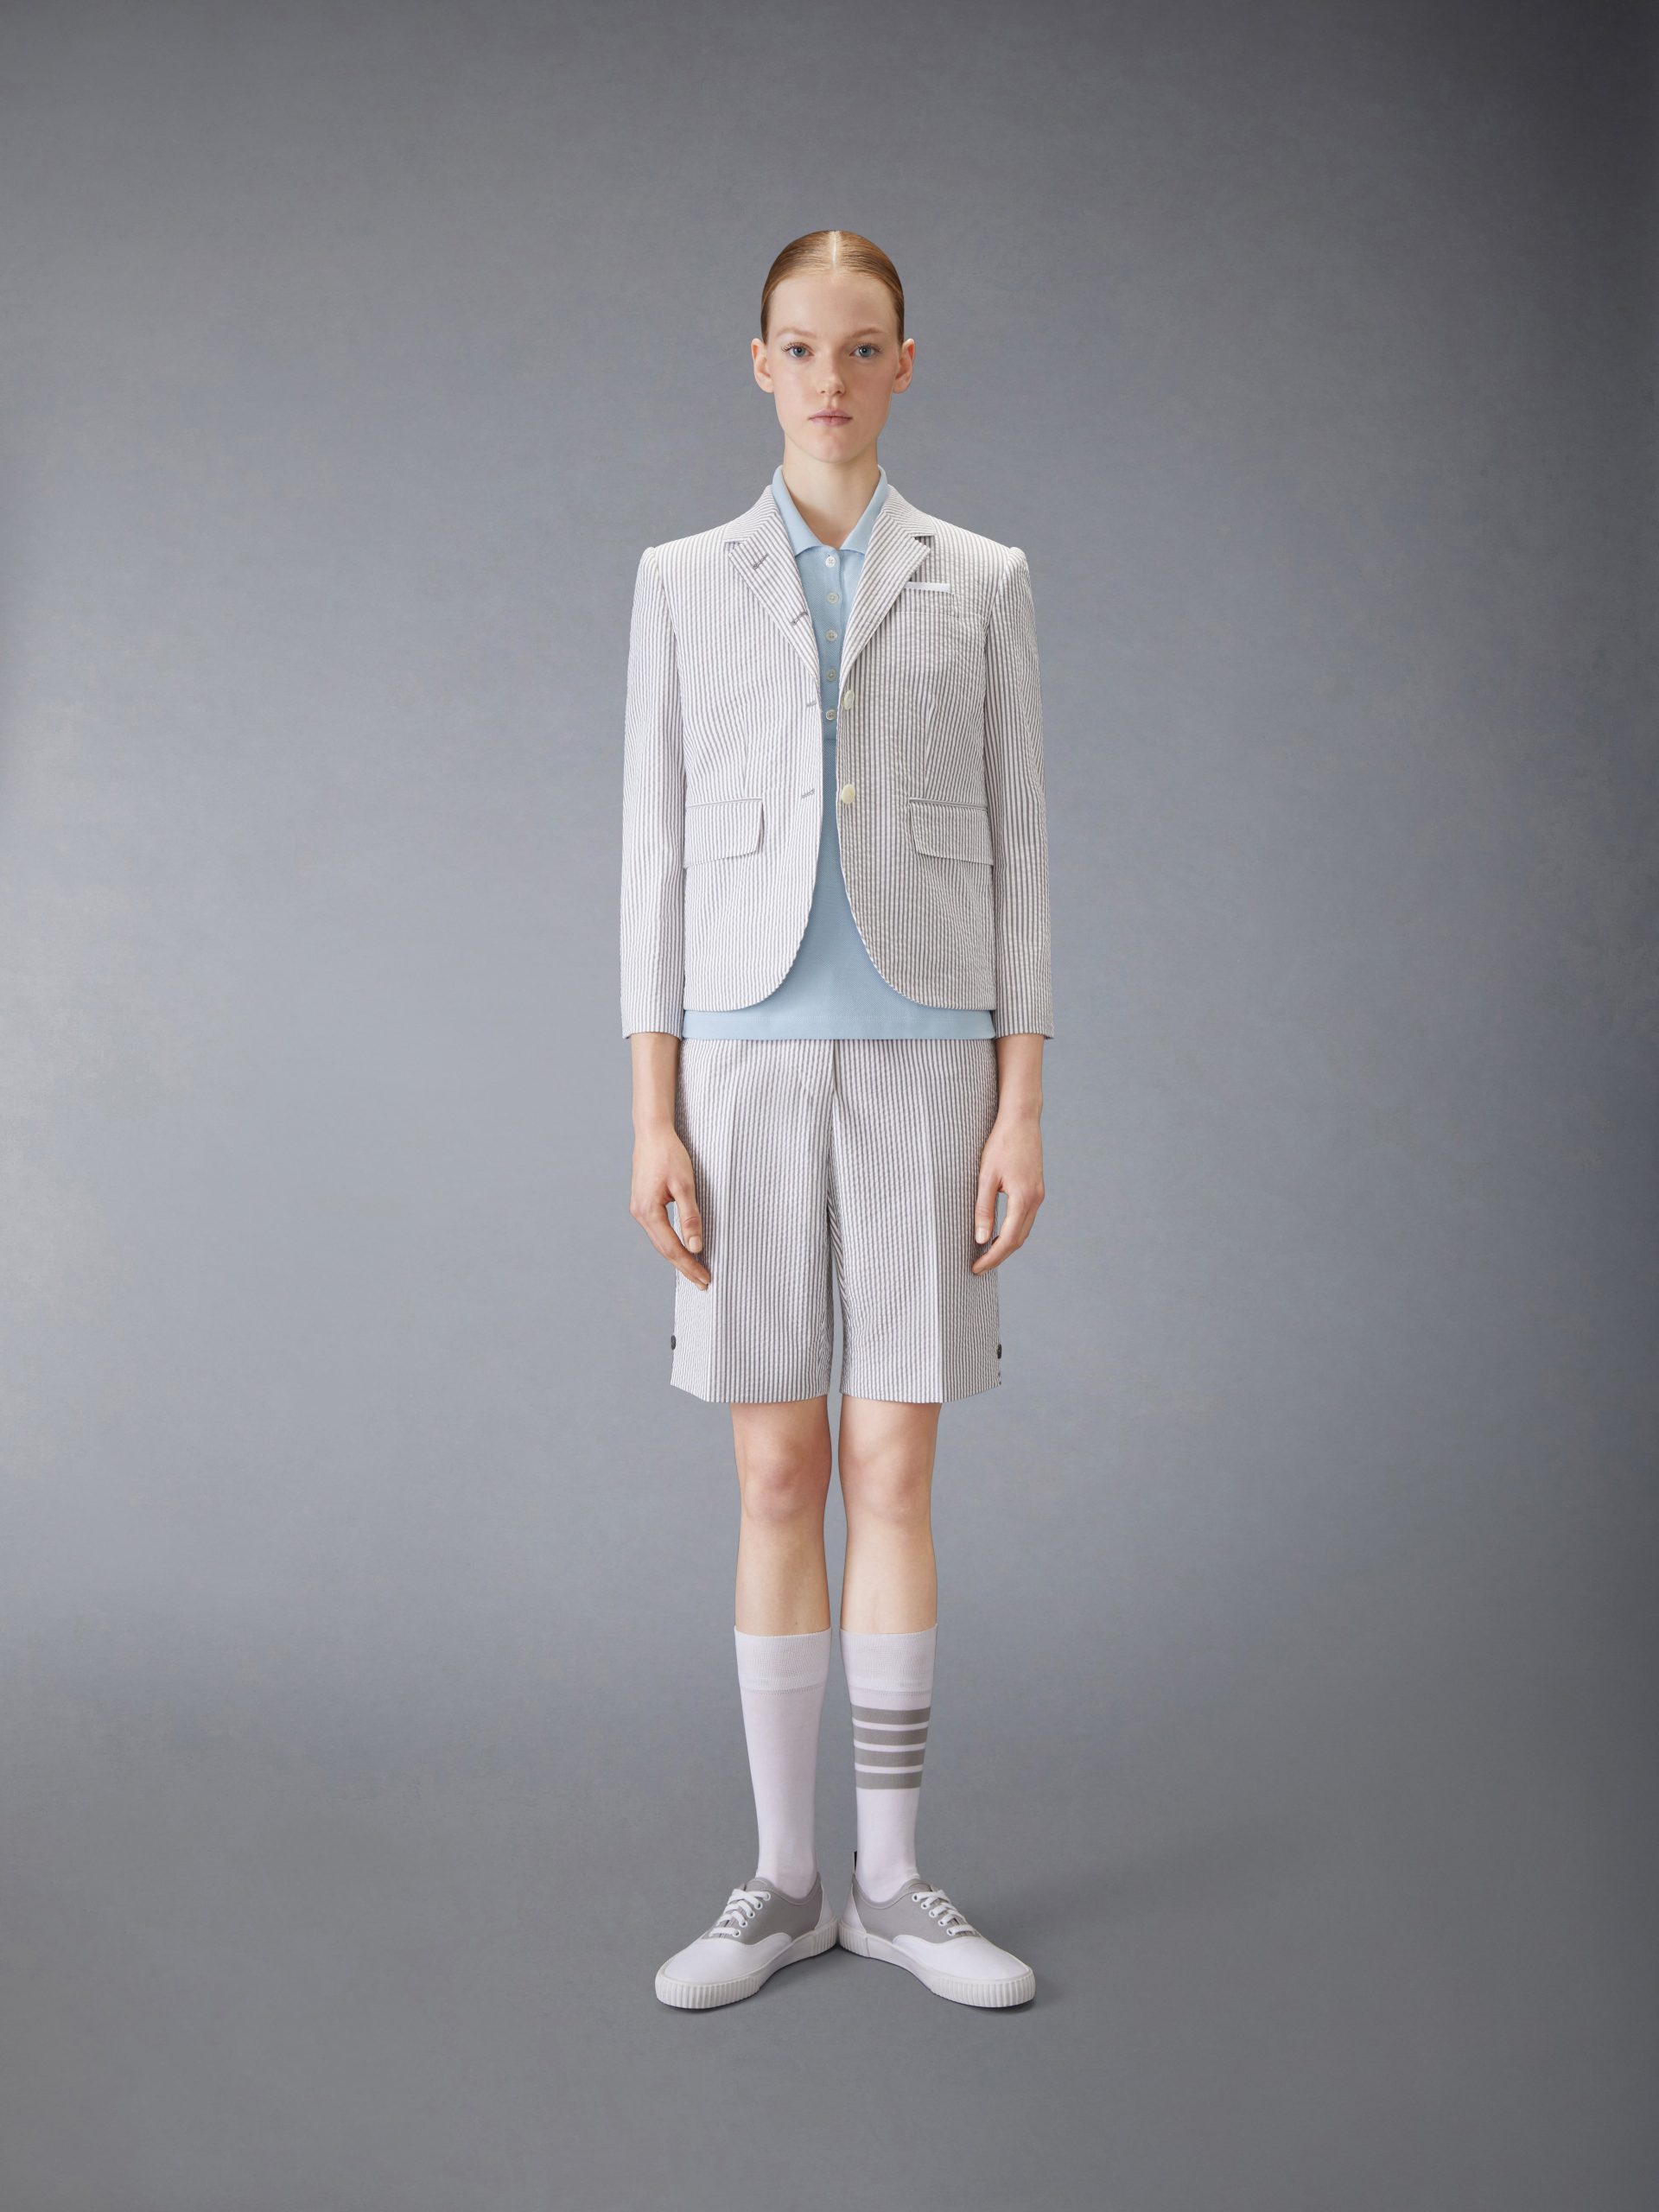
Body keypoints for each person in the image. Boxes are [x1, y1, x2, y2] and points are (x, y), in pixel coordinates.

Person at [620, 229, 1054, 2012]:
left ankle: (890, 1880)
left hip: (927, 1063)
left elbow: (1025, 854)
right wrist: (650, 1113)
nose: (829, 377)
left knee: (892, 1465)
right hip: (735, 1070)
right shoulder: (680, 580)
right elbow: (649, 857)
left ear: (903, 366)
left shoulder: (983, 578)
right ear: (759, 363)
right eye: (800, 347)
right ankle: (783, 1880)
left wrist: (1021, 1102)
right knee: (776, 1468)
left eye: (861, 347)